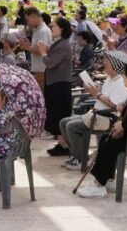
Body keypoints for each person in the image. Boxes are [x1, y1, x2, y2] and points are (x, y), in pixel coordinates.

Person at [76, 65, 127, 199]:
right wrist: (123, 108)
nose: (123, 78)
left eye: (125, 75)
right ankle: (108, 179)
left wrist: (123, 124)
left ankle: (98, 184)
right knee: (105, 139)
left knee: (110, 144)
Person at [60, 54, 127, 170]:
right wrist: (95, 89)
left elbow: (114, 104)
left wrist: (96, 93)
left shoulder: (121, 82)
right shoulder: (110, 78)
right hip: (97, 113)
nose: (104, 63)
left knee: (71, 126)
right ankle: (78, 156)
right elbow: (103, 95)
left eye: (107, 61)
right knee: (63, 122)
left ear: (115, 65)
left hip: (108, 117)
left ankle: (82, 160)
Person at [44, 17, 74, 155]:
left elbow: (50, 63)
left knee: (60, 113)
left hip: (60, 84)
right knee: (55, 114)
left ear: (61, 29)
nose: (51, 28)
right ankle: (62, 144)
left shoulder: (63, 45)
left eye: (54, 26)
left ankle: (65, 145)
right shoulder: (59, 43)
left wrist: (43, 52)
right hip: (54, 83)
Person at [18, 7, 52, 88]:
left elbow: (41, 51)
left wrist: (27, 47)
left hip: (42, 69)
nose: (28, 23)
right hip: (39, 68)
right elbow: (36, 47)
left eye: (28, 20)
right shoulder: (37, 30)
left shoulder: (43, 31)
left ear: (34, 16)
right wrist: (28, 45)